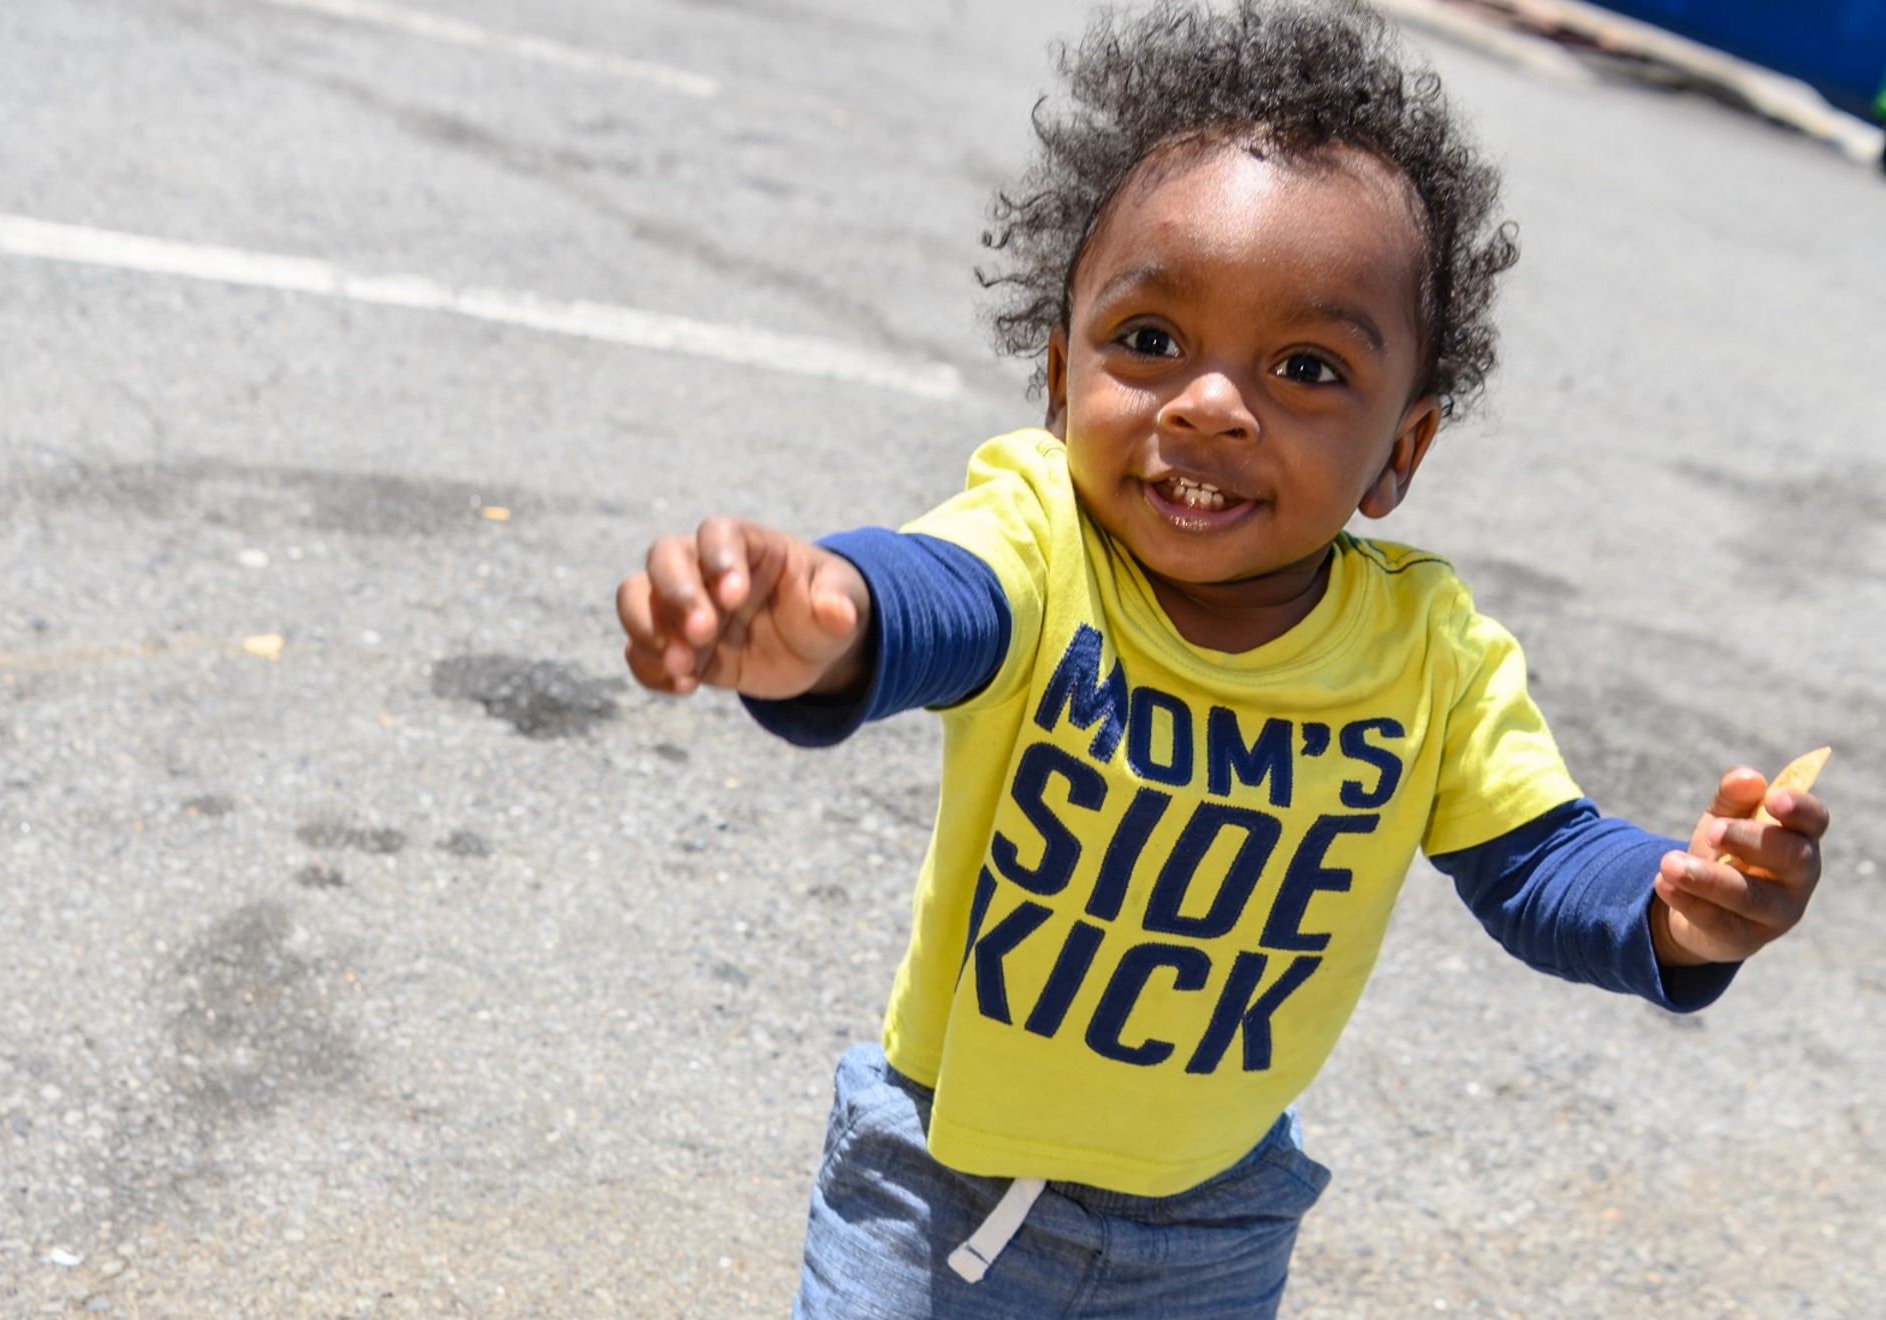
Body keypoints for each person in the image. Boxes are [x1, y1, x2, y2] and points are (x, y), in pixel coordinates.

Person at [615, 2, 1831, 1315]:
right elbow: (936, 597)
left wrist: (1675, 909)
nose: (1208, 404)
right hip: (936, 1185)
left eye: (1305, 366)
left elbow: (1539, 858)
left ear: (1401, 452)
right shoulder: (1044, 539)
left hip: (1219, 1220)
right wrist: (829, 614)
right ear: (1059, 374)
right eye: (1149, 342)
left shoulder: (1427, 652)